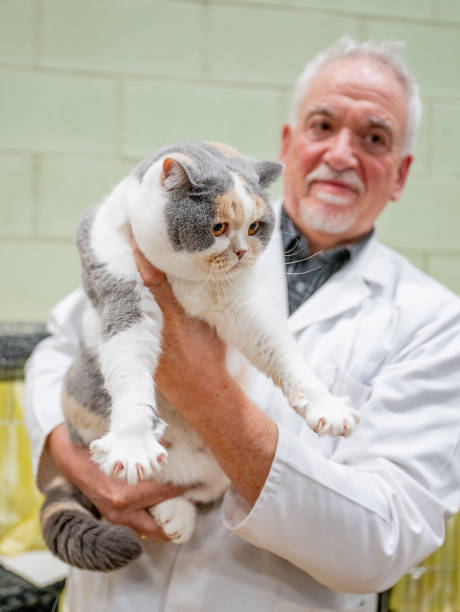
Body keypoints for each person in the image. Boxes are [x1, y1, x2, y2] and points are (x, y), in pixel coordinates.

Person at [25, 37, 460, 612]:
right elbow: (61, 344)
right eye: (322, 125)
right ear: (288, 142)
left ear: (401, 174)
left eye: (373, 138)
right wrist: (73, 456)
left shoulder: (436, 321)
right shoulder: (178, 231)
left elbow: (385, 541)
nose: (340, 153)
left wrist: (205, 390)